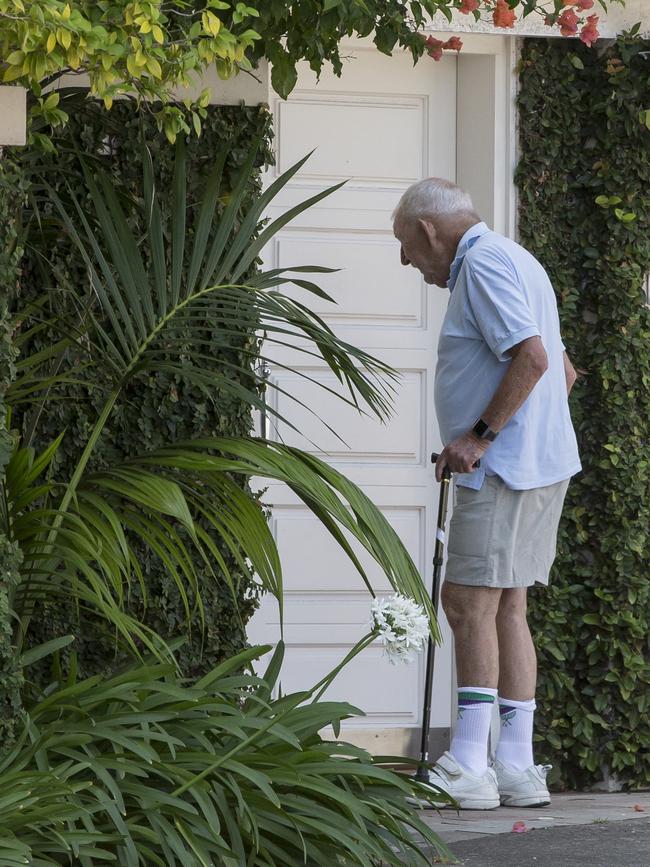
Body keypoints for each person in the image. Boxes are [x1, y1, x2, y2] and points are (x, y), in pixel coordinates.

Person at [393, 178, 581, 810]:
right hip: (535, 464)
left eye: (404, 245)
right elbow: (564, 367)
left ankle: (470, 766)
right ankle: (516, 767)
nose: (404, 261)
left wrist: (480, 437)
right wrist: (522, 431)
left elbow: (532, 358)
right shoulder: (518, 257)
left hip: (500, 471)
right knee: (506, 609)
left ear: (427, 231)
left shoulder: (480, 264)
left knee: (467, 604)